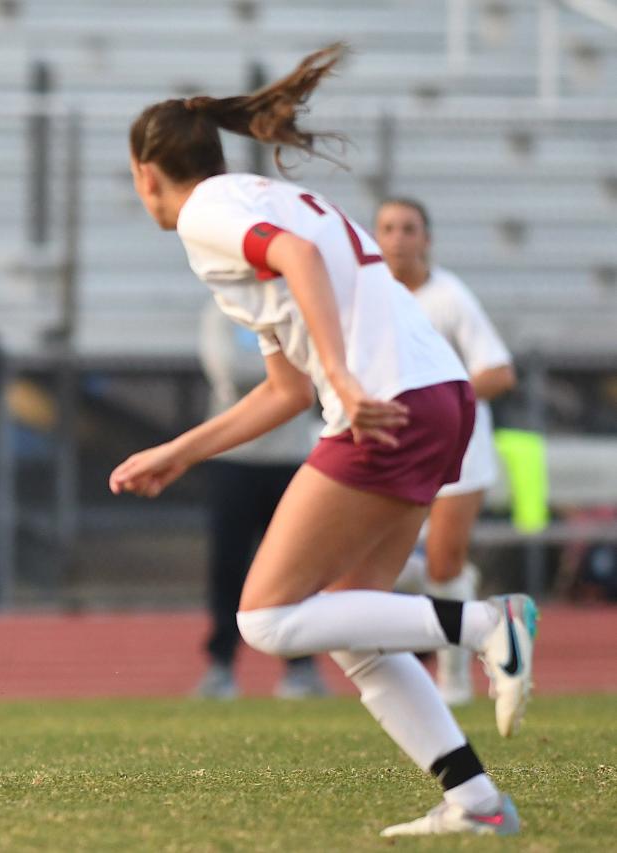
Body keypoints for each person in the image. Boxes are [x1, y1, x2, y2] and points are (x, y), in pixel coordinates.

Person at [109, 44, 536, 837]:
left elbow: (298, 263)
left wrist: (342, 376)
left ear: (146, 172)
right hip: (435, 397)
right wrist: (181, 450)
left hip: (386, 403)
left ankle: (487, 624)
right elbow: (285, 389)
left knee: (265, 620)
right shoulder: (261, 194)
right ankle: (474, 799)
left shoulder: (205, 212)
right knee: (355, 623)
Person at [375, 198, 518, 706]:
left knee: (441, 561)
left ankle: (453, 677)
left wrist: (442, 398)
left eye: (408, 228)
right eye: (387, 228)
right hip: (398, 447)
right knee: (382, 561)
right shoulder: (370, 296)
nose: (397, 238)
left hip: (459, 446)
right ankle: (465, 594)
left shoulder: (450, 295)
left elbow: (499, 371)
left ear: (426, 238)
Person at [195, 303, 329, 699]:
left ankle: (301, 667)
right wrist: (290, 375)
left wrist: (288, 381)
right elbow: (229, 374)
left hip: (290, 459)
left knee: (296, 565)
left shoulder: (298, 309)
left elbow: (319, 375)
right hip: (232, 458)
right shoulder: (221, 312)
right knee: (228, 566)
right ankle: (221, 666)